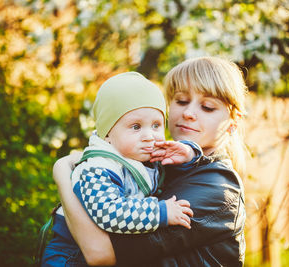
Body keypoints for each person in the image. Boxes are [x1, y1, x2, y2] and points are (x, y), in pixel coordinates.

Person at [53, 56, 248, 266]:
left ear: (232, 122)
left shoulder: (216, 187)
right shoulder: (155, 162)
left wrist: (62, 172)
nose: (189, 113)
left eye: (207, 107)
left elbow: (100, 253)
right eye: (181, 101)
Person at [41, 72, 202, 266]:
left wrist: (189, 153)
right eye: (136, 127)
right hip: (70, 257)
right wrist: (161, 212)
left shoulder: (142, 156)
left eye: (156, 125)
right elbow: (108, 213)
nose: (149, 136)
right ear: (108, 133)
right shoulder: (99, 167)